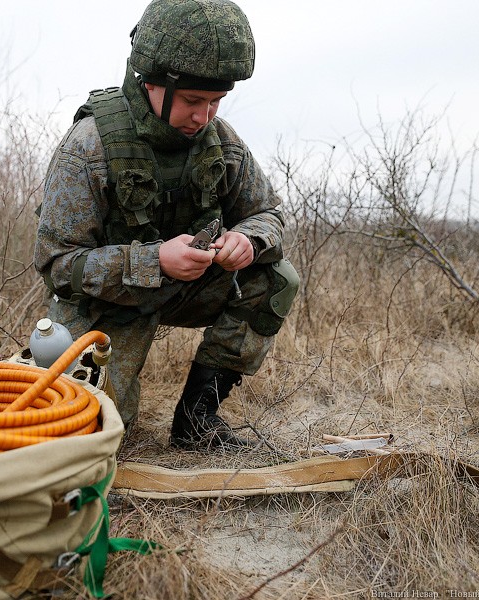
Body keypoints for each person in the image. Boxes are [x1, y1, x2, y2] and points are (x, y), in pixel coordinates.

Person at [34, 0, 299, 451]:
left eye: (217, 101)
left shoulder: (221, 142)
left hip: (186, 288)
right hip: (106, 303)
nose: (205, 116)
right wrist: (155, 260)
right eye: (194, 101)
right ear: (150, 84)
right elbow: (59, 265)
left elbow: (269, 214)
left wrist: (248, 241)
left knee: (276, 278)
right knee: (96, 435)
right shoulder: (88, 148)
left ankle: (197, 418)